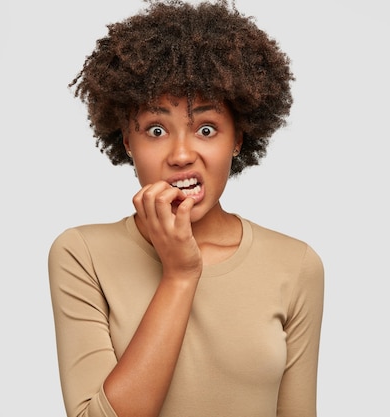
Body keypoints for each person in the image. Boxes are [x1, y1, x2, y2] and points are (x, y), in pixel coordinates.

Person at [48, 1, 324, 416]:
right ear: (127, 141)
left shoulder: (295, 264)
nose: (181, 154)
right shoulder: (81, 254)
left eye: (206, 129)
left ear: (237, 139)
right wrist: (179, 275)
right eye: (156, 130)